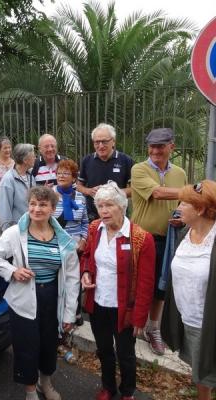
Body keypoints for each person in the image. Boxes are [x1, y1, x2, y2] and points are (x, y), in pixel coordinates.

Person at [0, 186, 80, 400]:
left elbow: (73, 278)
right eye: (33, 204)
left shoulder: (63, 239)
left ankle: (45, 384)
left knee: (49, 344)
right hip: (23, 300)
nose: (37, 209)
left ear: (53, 209)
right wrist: (13, 271)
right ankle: (30, 392)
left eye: (43, 205)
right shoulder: (15, 233)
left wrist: (69, 313)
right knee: (26, 346)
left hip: (52, 299)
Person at [81, 181, 155, 400]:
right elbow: (86, 256)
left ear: (122, 207)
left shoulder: (141, 239)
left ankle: (127, 392)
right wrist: (86, 273)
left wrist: (140, 318)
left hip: (125, 309)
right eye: (100, 205)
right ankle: (108, 387)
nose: (103, 210)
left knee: (125, 354)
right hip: (98, 303)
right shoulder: (95, 228)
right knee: (103, 349)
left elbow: (146, 282)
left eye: (109, 205)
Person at [131, 127, 186, 356]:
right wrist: (193, 191)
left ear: (171, 147)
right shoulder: (139, 169)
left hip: (167, 238)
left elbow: (182, 203)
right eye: (152, 146)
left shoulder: (180, 173)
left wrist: (182, 216)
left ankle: (153, 329)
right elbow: (158, 194)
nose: (155, 150)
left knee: (161, 288)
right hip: (141, 238)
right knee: (137, 284)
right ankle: (134, 325)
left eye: (160, 146)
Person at [161, 180, 216, 400]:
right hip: (189, 320)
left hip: (209, 324)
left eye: (184, 203)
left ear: (201, 209)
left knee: (208, 372)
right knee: (200, 374)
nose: (179, 207)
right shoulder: (185, 234)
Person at [77, 123, 134, 222]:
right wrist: (89, 191)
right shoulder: (87, 160)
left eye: (104, 142)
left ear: (113, 142)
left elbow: (134, 190)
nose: (100, 146)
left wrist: (113, 193)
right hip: (92, 216)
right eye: (97, 142)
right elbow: (79, 186)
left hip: (118, 216)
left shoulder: (126, 160)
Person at [0, 144, 36, 232]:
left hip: (31, 229)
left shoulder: (30, 176)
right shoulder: (8, 180)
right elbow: (4, 211)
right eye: (33, 156)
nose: (35, 158)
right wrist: (8, 233)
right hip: (17, 231)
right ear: (25, 160)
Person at [53, 159, 89, 253]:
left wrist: (84, 240)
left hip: (75, 246)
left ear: (73, 178)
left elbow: (85, 222)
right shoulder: (49, 195)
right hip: (54, 244)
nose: (61, 176)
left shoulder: (80, 197)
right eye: (59, 173)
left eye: (65, 173)